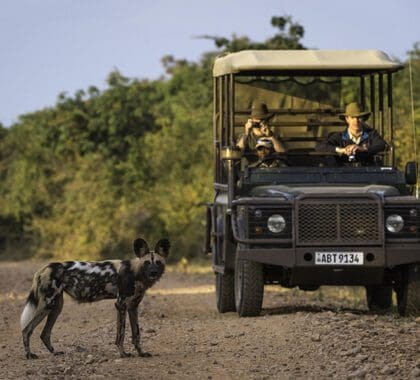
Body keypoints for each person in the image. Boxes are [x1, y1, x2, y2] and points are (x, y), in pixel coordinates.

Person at [316, 102, 387, 165]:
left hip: (367, 176)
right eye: (352, 117)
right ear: (347, 119)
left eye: (359, 117)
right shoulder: (339, 137)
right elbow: (320, 147)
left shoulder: (371, 134)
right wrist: (342, 150)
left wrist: (363, 149)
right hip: (344, 176)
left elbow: (381, 144)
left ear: (363, 118)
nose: (356, 121)